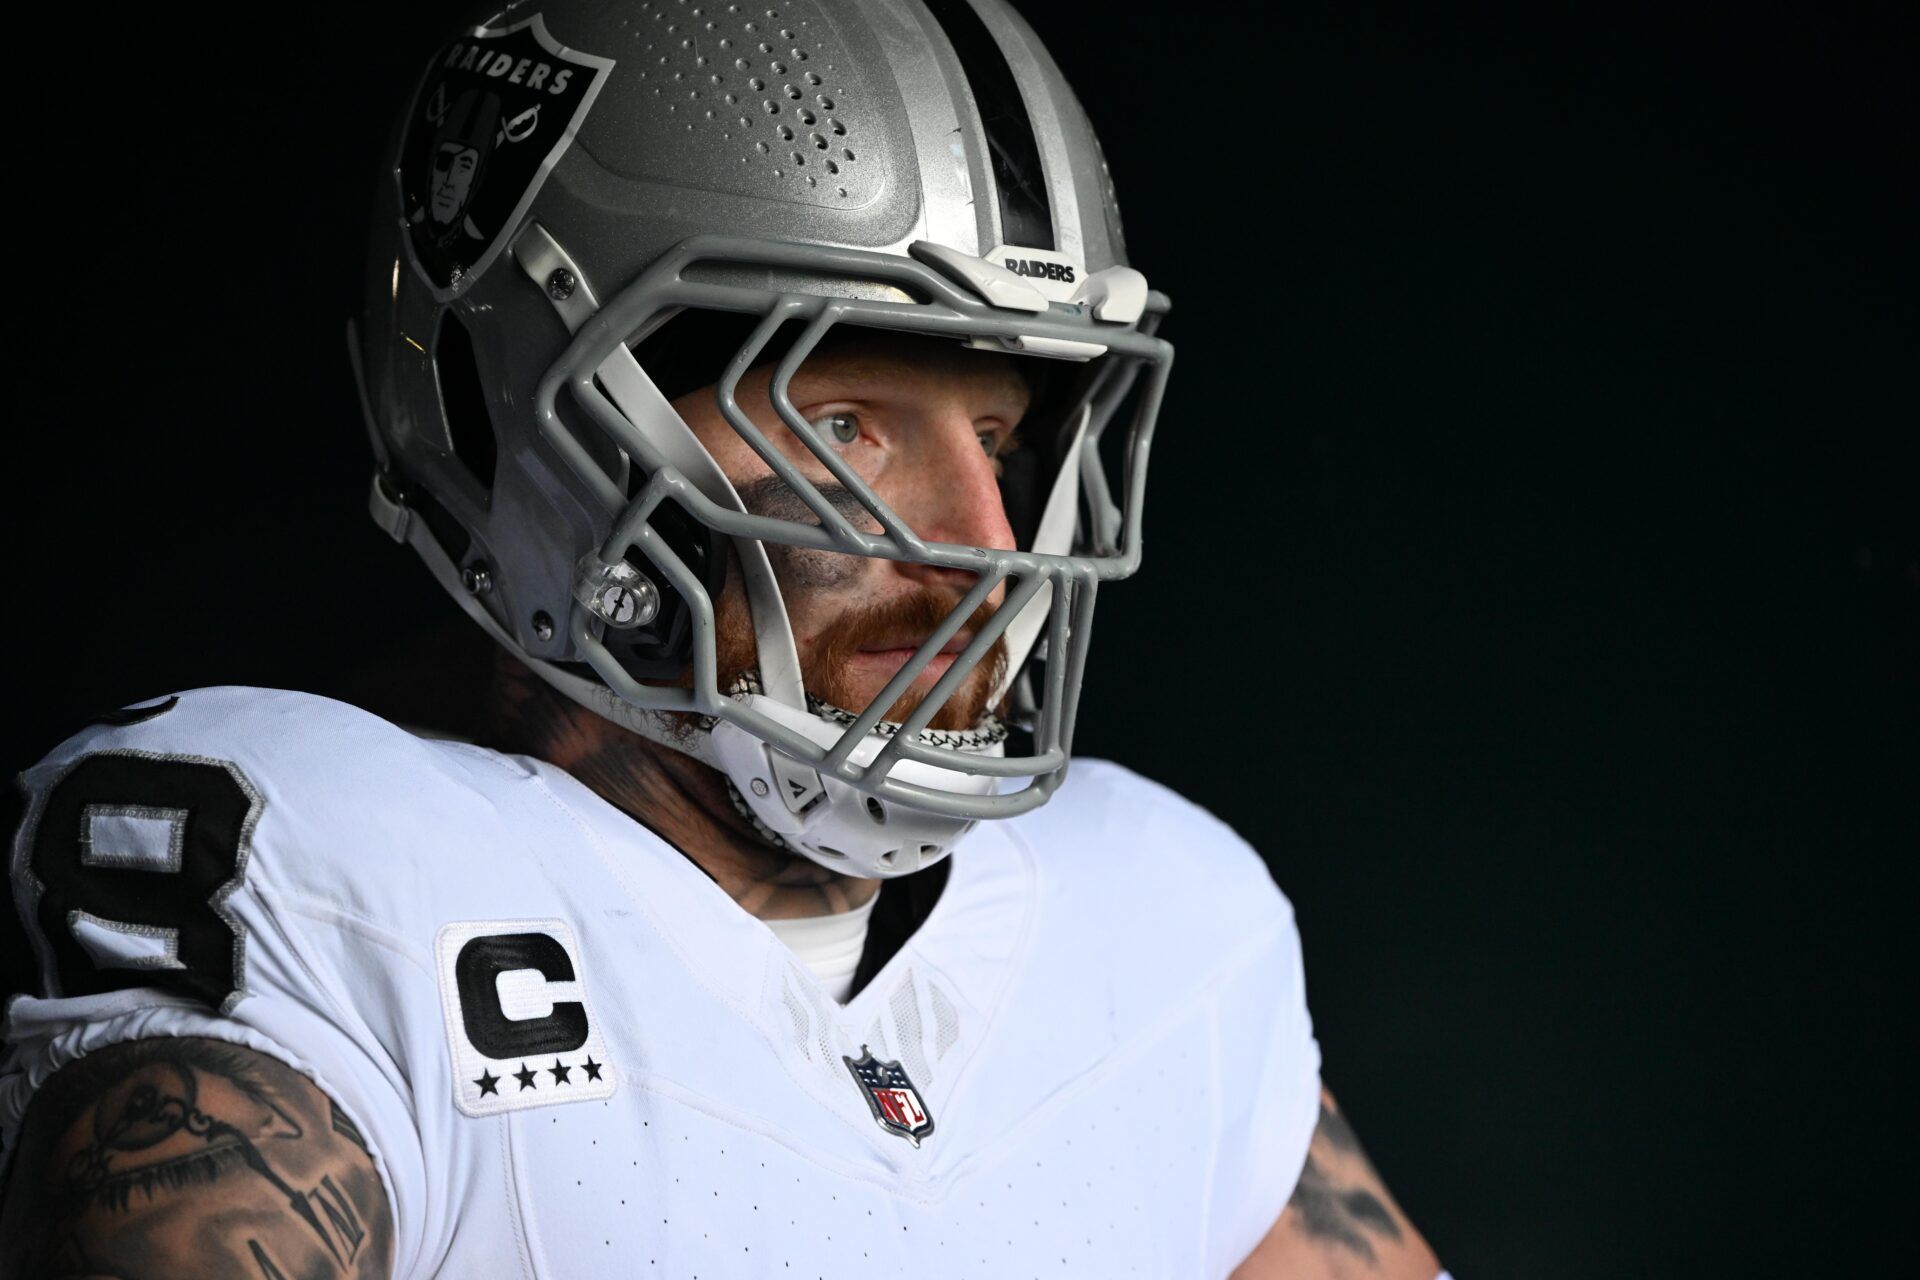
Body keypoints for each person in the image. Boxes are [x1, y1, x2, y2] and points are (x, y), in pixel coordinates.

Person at [0, 2, 1446, 1276]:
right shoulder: (317, 863)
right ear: (511, 416)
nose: (987, 545)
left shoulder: (1168, 918)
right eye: (841, 425)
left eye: (1002, 435)